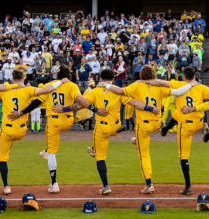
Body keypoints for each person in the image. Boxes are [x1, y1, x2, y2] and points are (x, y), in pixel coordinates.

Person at [65, 68, 151, 196]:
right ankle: (117, 131)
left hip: (102, 128)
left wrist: (64, 109)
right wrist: (150, 108)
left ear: (100, 78)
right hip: (115, 126)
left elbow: (80, 105)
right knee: (113, 130)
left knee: (100, 158)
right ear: (113, 79)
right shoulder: (117, 91)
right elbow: (134, 103)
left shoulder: (94, 92)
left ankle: (106, 186)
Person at [0, 69, 59, 195]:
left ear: (12, 79)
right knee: (7, 146)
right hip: (21, 130)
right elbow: (44, 90)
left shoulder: (6, 89)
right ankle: (1, 156)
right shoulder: (27, 89)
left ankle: (6, 187)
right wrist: (59, 82)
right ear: (23, 78)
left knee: (3, 158)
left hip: (7, 128)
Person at [162, 66, 209, 196]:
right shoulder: (201, 87)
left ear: (184, 76)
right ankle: (166, 128)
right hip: (198, 122)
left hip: (185, 125)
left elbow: (161, 82)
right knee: (177, 113)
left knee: (183, 155)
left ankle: (188, 186)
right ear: (195, 76)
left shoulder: (179, 84)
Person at [121, 66, 173, 195]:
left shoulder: (137, 86)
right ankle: (139, 138)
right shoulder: (159, 86)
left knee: (143, 155)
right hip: (155, 122)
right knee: (142, 139)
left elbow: (122, 92)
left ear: (141, 76)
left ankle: (149, 184)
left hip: (143, 125)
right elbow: (175, 90)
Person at [34, 66, 81, 193]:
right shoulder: (72, 86)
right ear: (69, 75)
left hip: (54, 120)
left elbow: (37, 101)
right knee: (51, 148)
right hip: (68, 120)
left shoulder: (50, 85)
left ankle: (54, 184)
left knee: (52, 153)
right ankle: (46, 150)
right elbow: (79, 102)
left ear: (58, 75)